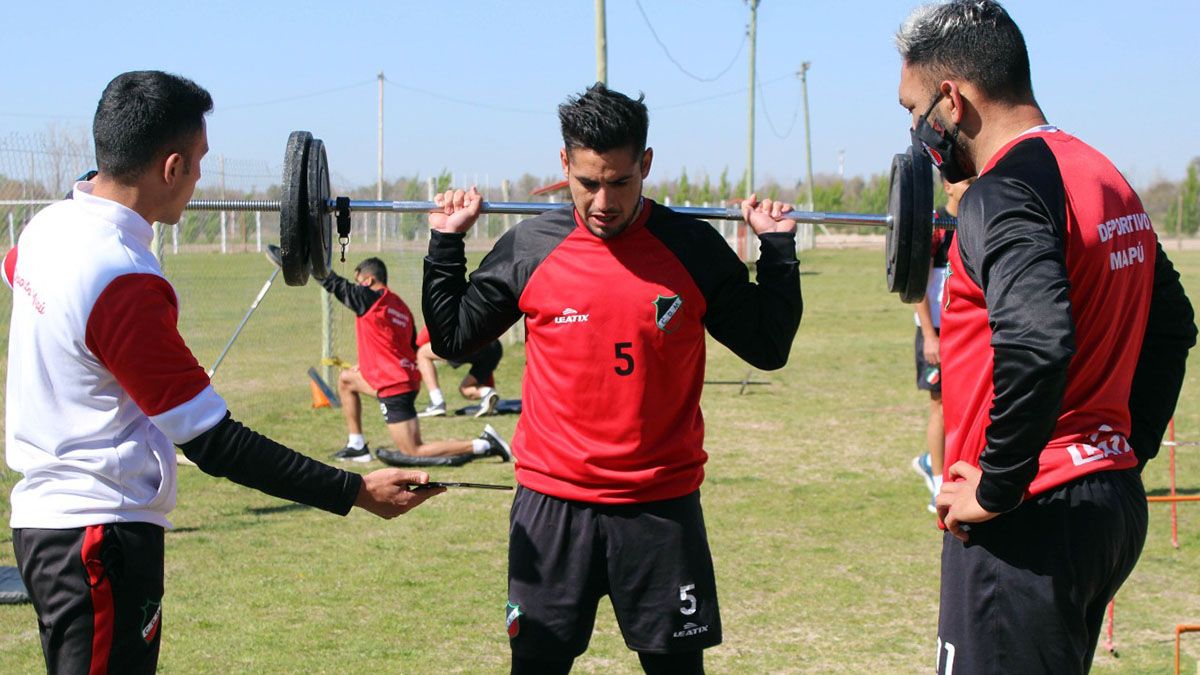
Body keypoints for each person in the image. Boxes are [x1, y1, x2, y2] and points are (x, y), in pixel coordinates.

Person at [3, 70, 446, 674]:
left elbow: (29, 281)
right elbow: (215, 442)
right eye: (200, 162)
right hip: (99, 535)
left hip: (46, 526)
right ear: (172, 167)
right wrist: (354, 492)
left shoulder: (46, 229)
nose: (201, 179)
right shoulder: (121, 278)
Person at [422, 83, 803, 675]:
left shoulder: (691, 247)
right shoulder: (531, 246)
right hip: (552, 507)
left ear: (645, 164)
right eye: (588, 182)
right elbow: (451, 338)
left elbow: (768, 346)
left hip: (660, 509)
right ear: (564, 164)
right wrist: (446, 242)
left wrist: (777, 252)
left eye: (621, 182)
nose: (603, 201)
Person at [895, 3, 1196, 672]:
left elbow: (1037, 341)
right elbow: (1173, 325)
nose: (916, 132)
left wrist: (996, 486)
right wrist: (1119, 456)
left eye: (915, 110)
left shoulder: (1000, 192)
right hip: (1103, 505)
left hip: (1027, 521)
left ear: (951, 100)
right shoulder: (1102, 174)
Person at [316, 257, 512, 467]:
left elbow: (335, 284)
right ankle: (357, 446)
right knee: (346, 379)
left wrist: (308, 262)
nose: (357, 287)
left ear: (369, 280)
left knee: (413, 449)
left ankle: (484, 444)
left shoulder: (371, 299)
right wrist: (367, 365)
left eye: (358, 282)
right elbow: (403, 346)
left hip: (394, 385)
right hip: (401, 377)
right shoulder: (399, 306)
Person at [910, 178, 971, 514]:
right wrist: (930, 336)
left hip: (966, 331)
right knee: (941, 406)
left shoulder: (975, 222)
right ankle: (936, 482)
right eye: (967, 182)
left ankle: (938, 463)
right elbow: (917, 284)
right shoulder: (935, 226)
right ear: (948, 186)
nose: (974, 186)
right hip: (936, 331)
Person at [414, 325, 504, 418]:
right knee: (465, 389)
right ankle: (487, 393)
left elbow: (419, 343)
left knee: (422, 353)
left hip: (468, 342)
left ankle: (437, 402)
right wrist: (490, 386)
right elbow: (485, 369)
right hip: (494, 345)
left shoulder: (438, 317)